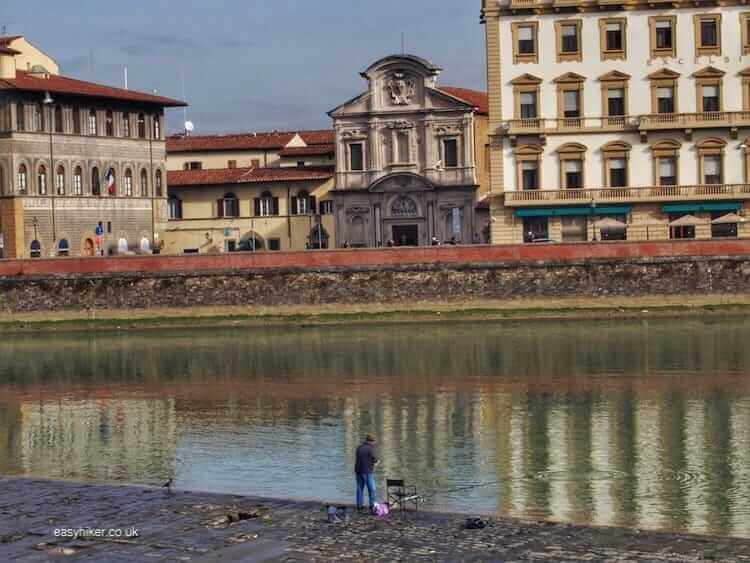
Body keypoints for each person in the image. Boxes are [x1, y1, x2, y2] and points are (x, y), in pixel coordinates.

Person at [354, 434, 378, 512]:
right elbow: (374, 459)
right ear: (371, 441)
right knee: (372, 489)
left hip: (358, 471)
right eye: (374, 442)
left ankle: (359, 506)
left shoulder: (359, 447)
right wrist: (376, 462)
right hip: (367, 471)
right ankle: (372, 505)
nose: (374, 443)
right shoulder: (371, 448)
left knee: (360, 489)